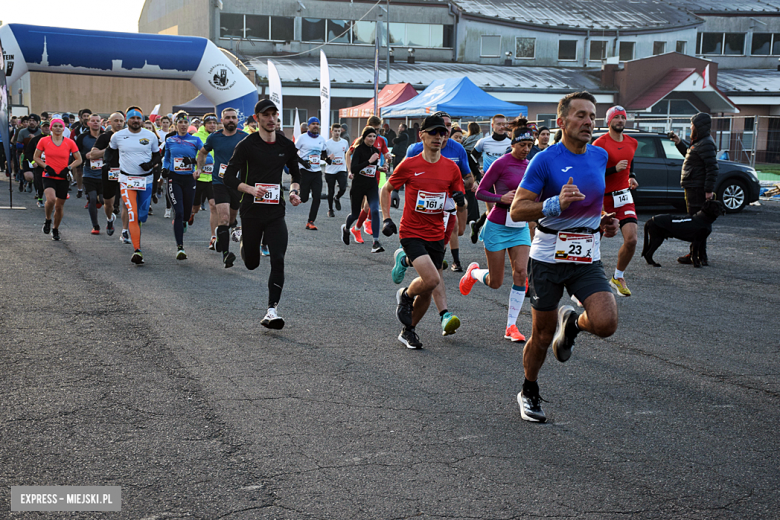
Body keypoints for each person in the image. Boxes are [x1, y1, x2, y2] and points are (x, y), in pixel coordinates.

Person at [509, 91, 619, 423]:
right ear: (561, 122)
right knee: (541, 336)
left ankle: (572, 325)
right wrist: (554, 203)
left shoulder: (599, 157)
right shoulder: (544, 159)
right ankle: (528, 389)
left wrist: (601, 221)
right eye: (581, 115)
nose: (589, 122)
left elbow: (591, 200)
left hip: (587, 254)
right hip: (547, 258)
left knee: (606, 322)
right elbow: (517, 210)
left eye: (592, 116)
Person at [380, 114, 467, 349]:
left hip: (437, 233)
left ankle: (408, 331)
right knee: (432, 279)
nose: (439, 137)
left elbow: (461, 204)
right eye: (434, 133)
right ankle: (406, 295)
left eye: (443, 133)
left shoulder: (451, 168)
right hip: (411, 231)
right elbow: (386, 189)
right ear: (422, 135)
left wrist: (461, 203)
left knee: (428, 290)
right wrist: (387, 219)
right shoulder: (410, 164)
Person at [222, 99, 302, 329]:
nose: (270, 119)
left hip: (276, 211)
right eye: (265, 116)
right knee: (252, 263)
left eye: (274, 115)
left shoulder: (286, 145)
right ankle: (244, 242)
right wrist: (249, 189)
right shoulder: (247, 145)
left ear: (278, 118)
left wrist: (295, 192)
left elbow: (296, 174)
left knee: (278, 259)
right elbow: (228, 177)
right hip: (251, 210)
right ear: (257, 119)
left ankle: (271, 310)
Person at [459, 119, 535, 343]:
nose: (527, 149)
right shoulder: (501, 164)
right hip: (498, 224)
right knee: (496, 282)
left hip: (519, 226)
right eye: (523, 145)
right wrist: (500, 198)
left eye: (530, 145)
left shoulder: (531, 166)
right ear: (513, 144)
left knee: (521, 273)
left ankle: (511, 325)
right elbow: (480, 192)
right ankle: (473, 273)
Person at [405, 112, 473, 274]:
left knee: (459, 230)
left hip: (448, 200)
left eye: (448, 126)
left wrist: (459, 185)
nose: (445, 131)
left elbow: (469, 178)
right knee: (430, 243)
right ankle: (415, 261)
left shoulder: (457, 149)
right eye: (441, 127)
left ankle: (434, 261)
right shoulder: (415, 149)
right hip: (420, 205)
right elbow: (401, 176)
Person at [593, 106, 639, 296]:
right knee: (594, 242)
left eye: (622, 117)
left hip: (623, 197)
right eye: (616, 117)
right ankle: (588, 279)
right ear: (609, 121)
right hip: (602, 198)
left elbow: (629, 161)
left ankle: (617, 276)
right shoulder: (599, 143)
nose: (620, 120)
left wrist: (632, 175)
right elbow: (592, 172)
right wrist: (613, 170)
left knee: (632, 239)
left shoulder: (633, 142)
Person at [107, 106, 161, 264]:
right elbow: (110, 152)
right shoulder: (118, 136)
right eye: (132, 118)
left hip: (146, 180)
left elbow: (158, 155)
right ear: (127, 120)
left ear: (142, 120)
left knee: (142, 216)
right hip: (126, 180)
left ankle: (136, 231)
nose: (136, 121)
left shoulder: (150, 136)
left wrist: (150, 164)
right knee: (133, 213)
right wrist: (108, 164)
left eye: (138, 118)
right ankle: (137, 250)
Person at [668, 113, 719, 265]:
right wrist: (678, 142)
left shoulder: (706, 143)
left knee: (697, 223)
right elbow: (690, 156)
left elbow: (712, 168)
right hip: (693, 187)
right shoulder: (700, 142)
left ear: (698, 127)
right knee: (697, 223)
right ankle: (698, 254)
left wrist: (708, 190)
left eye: (692, 125)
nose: (690, 127)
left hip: (697, 188)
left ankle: (697, 255)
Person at [199, 107, 246, 268]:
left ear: (237, 120)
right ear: (222, 120)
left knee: (232, 219)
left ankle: (221, 236)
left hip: (238, 185)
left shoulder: (244, 138)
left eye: (233, 117)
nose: (231, 120)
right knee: (224, 218)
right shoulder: (214, 137)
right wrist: (199, 168)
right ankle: (226, 254)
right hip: (219, 182)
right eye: (227, 118)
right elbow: (202, 153)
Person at [163, 111, 203, 260]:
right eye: (180, 122)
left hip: (189, 179)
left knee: (186, 213)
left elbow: (207, 156)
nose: (183, 125)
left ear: (189, 124)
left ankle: (186, 218)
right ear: (176, 125)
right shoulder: (170, 140)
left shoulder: (195, 140)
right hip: (174, 179)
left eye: (186, 122)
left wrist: (195, 165)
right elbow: (166, 158)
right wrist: (165, 169)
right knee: (178, 212)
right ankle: (180, 247)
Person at [34, 118, 83, 241]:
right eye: (55, 126)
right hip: (48, 175)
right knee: (50, 200)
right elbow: (36, 157)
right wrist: (46, 166)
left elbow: (79, 159)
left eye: (60, 126)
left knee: (59, 206)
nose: (57, 128)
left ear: (63, 128)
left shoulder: (69, 142)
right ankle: (48, 220)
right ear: (51, 128)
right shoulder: (44, 141)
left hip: (62, 176)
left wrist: (68, 168)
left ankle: (55, 229)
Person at [340, 126, 384, 253]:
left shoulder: (376, 150)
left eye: (374, 136)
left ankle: (375, 242)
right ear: (364, 137)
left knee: (375, 210)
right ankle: (347, 228)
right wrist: (369, 161)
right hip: (358, 186)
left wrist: (382, 168)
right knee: (355, 214)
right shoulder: (359, 150)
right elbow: (354, 169)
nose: (372, 138)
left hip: (372, 185)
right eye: (369, 136)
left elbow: (374, 167)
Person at [471, 115, 511, 242]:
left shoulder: (511, 142)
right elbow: (471, 158)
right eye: (498, 124)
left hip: (505, 182)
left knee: (501, 210)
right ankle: (492, 238)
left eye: (504, 124)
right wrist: (478, 172)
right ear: (492, 126)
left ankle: (477, 225)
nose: (501, 127)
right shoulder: (483, 141)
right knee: (493, 210)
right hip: (489, 181)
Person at [90, 112, 126, 238]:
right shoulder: (105, 137)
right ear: (109, 122)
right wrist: (110, 148)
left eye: (121, 121)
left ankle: (125, 231)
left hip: (126, 172)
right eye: (116, 121)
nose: (119, 123)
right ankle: (110, 219)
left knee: (126, 203)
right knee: (108, 203)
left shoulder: (128, 136)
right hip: (110, 171)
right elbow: (93, 154)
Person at [295, 117, 330, 230]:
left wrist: (327, 159)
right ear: (308, 126)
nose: (315, 126)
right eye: (313, 124)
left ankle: (311, 221)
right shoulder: (302, 138)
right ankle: (299, 194)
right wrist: (303, 163)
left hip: (317, 171)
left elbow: (323, 154)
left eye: (317, 124)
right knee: (304, 198)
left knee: (317, 197)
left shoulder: (321, 139)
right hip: (304, 171)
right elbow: (292, 153)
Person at [191, 113, 218, 249]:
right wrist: (196, 167)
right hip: (199, 177)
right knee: (195, 207)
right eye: (209, 123)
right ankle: (192, 214)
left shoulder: (219, 136)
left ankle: (214, 237)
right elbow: (191, 155)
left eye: (214, 122)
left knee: (213, 205)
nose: (212, 125)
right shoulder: (196, 137)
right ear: (204, 124)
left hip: (213, 178)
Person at [75, 114, 105, 234]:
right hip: (89, 173)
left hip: (104, 173)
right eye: (92, 121)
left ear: (101, 123)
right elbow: (75, 153)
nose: (95, 123)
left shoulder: (106, 136)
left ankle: (108, 219)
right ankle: (96, 226)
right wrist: (85, 156)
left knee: (103, 200)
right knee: (92, 198)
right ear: (88, 123)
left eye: (97, 121)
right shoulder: (82, 137)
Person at [324, 123, 349, 217]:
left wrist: (348, 167)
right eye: (335, 131)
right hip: (330, 170)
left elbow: (347, 154)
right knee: (331, 190)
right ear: (331, 132)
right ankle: (330, 209)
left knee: (343, 187)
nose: (337, 133)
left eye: (339, 131)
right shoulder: (327, 143)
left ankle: (337, 198)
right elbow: (323, 156)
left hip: (341, 169)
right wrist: (328, 158)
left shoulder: (344, 142)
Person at [27, 120, 50, 207]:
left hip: (51, 164)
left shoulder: (55, 139)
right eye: (44, 126)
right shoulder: (35, 139)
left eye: (48, 126)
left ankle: (50, 200)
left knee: (50, 183)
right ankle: (40, 198)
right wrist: (33, 162)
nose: (46, 128)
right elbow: (28, 152)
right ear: (41, 128)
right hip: (39, 164)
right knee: (39, 183)